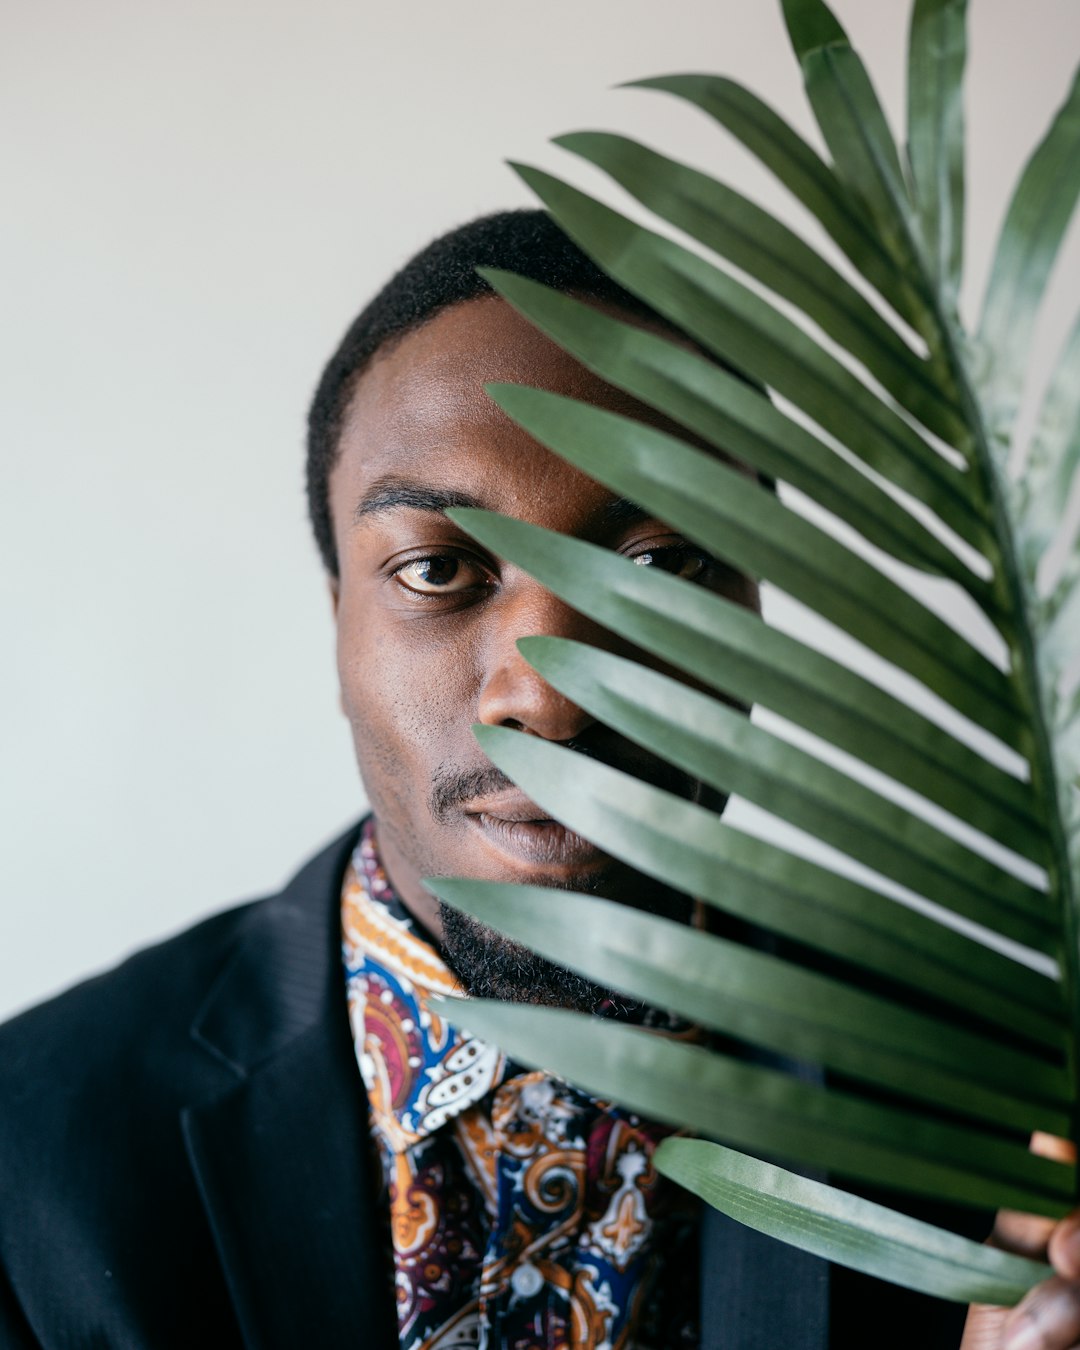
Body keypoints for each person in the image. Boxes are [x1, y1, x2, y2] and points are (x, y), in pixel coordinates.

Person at [0, 210, 1075, 1350]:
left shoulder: (994, 1120)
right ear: (337, 626)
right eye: (438, 568)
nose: (548, 699)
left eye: (658, 567)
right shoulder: (32, 1172)